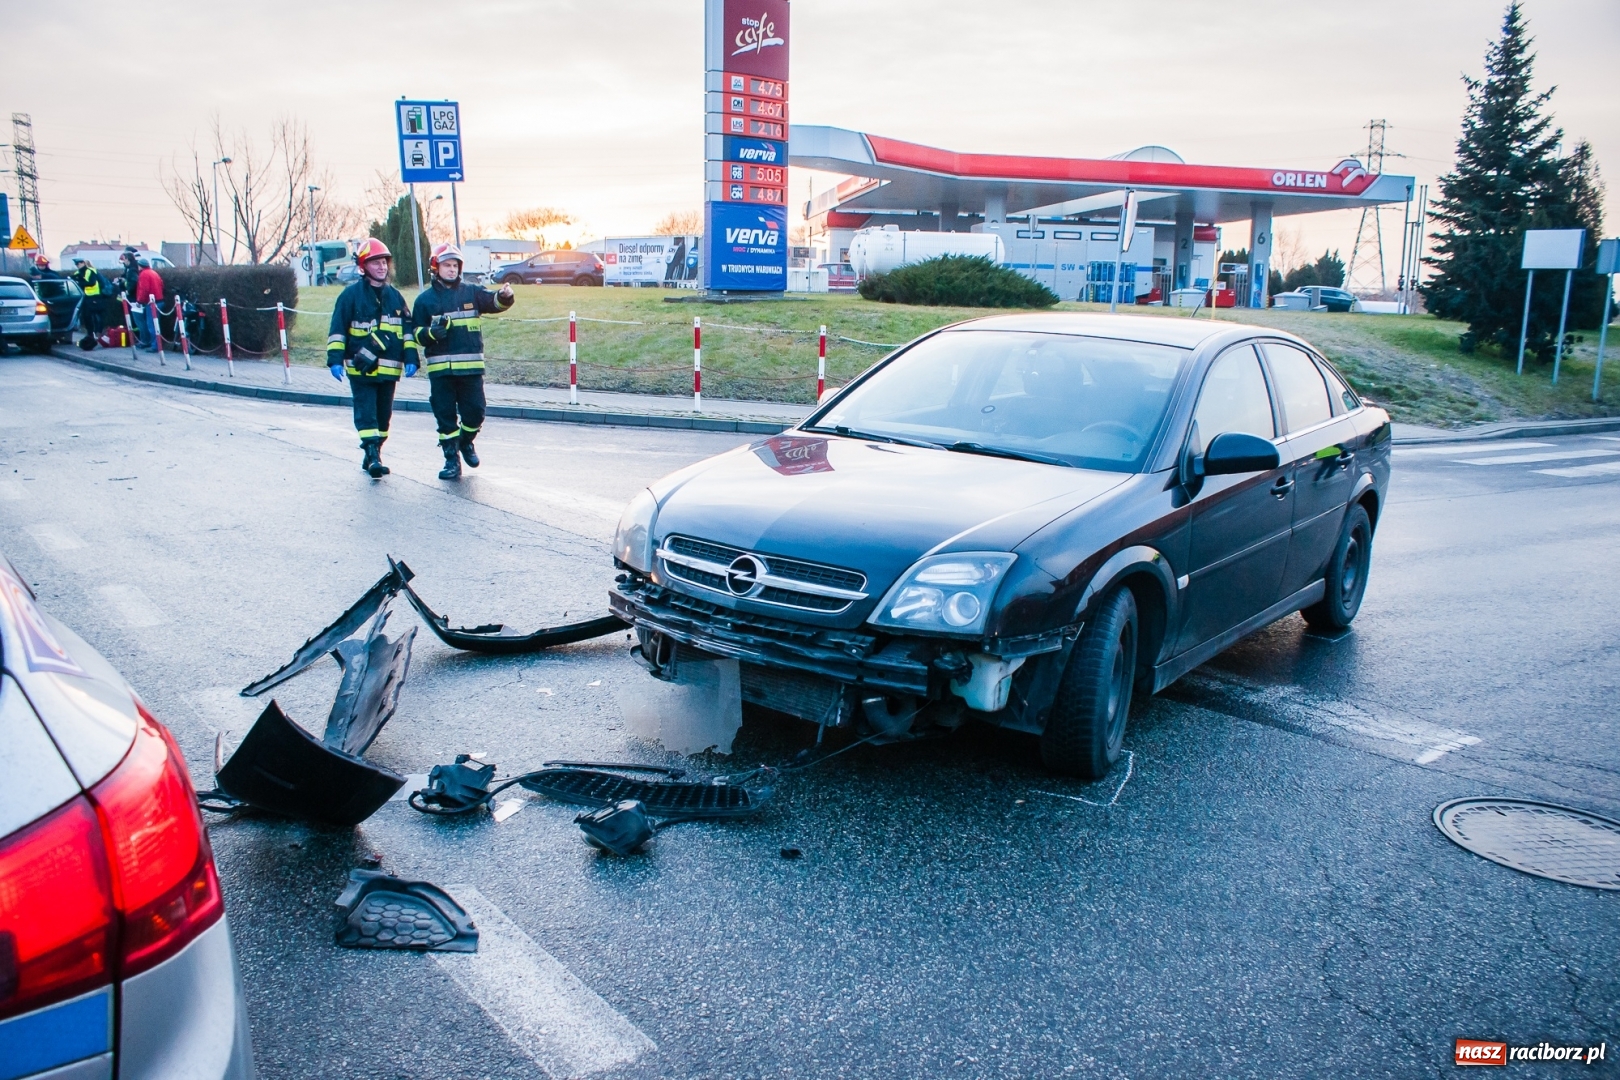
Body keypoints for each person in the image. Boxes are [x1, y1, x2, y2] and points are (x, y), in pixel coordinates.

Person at [410, 243, 514, 480]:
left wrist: (505, 296)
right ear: (436, 268)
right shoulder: (424, 301)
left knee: (476, 412)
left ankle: (465, 442)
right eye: (447, 265)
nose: (451, 269)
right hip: (441, 372)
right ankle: (451, 461)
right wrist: (431, 334)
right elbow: (415, 333)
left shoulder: (472, 292)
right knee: (445, 416)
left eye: (455, 265)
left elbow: (494, 302)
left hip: (470, 370)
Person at [327, 239, 418, 479]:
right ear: (363, 266)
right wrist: (335, 360)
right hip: (361, 369)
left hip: (389, 370)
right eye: (375, 262)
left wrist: (411, 357)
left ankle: (373, 452)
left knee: (383, 416)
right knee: (366, 413)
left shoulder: (396, 298)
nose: (381, 267)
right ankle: (373, 455)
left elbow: (407, 331)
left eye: (384, 262)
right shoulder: (349, 296)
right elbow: (338, 330)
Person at [69, 257, 106, 347]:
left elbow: (92, 282)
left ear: (83, 263)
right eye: (76, 264)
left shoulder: (90, 271)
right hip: (85, 297)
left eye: (78, 264)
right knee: (87, 317)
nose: (77, 266)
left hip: (94, 297)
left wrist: (78, 283)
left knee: (96, 316)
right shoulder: (78, 273)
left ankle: (97, 333)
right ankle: (90, 334)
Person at [134, 257, 164, 351]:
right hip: (159, 300)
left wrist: (139, 301)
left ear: (140, 266)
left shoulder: (143, 275)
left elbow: (144, 289)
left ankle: (155, 346)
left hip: (151, 302)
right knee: (155, 324)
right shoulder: (154, 273)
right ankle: (155, 344)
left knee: (151, 325)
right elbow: (162, 284)